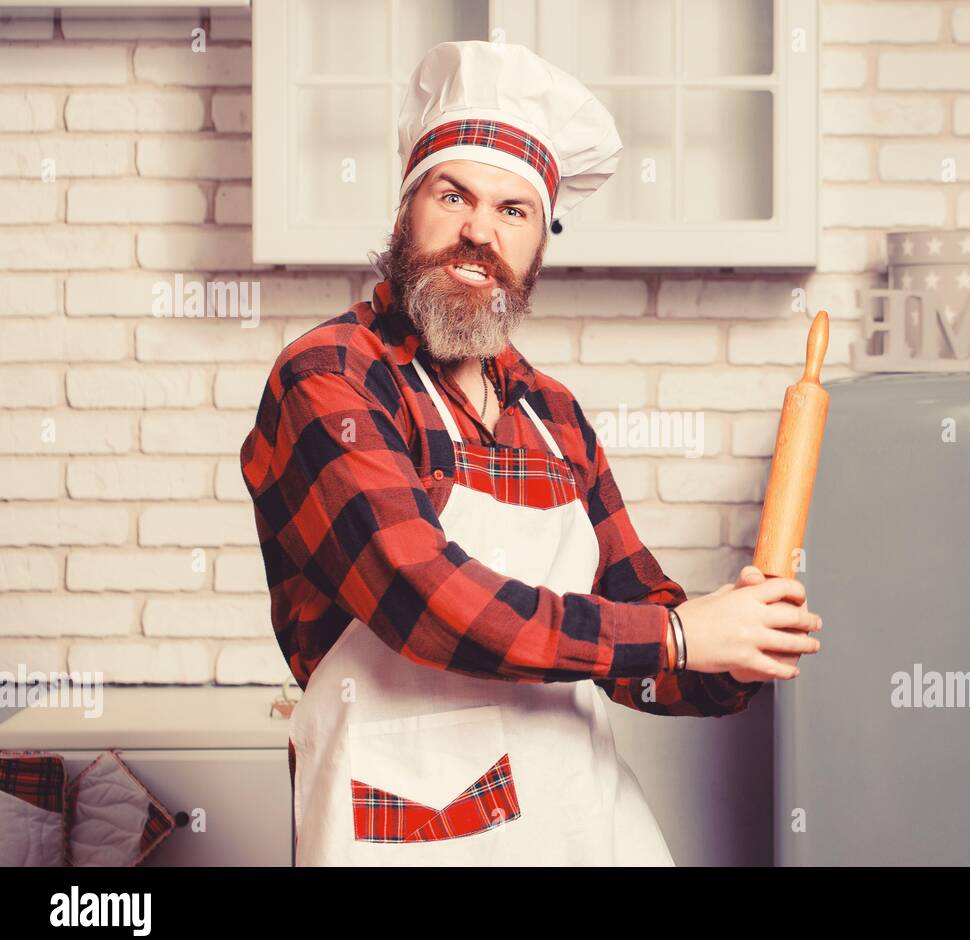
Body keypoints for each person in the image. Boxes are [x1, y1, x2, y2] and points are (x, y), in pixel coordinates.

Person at [239, 40, 821, 866]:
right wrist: (681, 637)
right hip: (409, 829)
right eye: (454, 196)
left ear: (537, 246)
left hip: (576, 823)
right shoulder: (333, 378)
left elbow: (641, 633)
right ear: (406, 211)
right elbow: (424, 599)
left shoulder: (552, 414)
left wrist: (740, 645)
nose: (478, 232)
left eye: (513, 212)